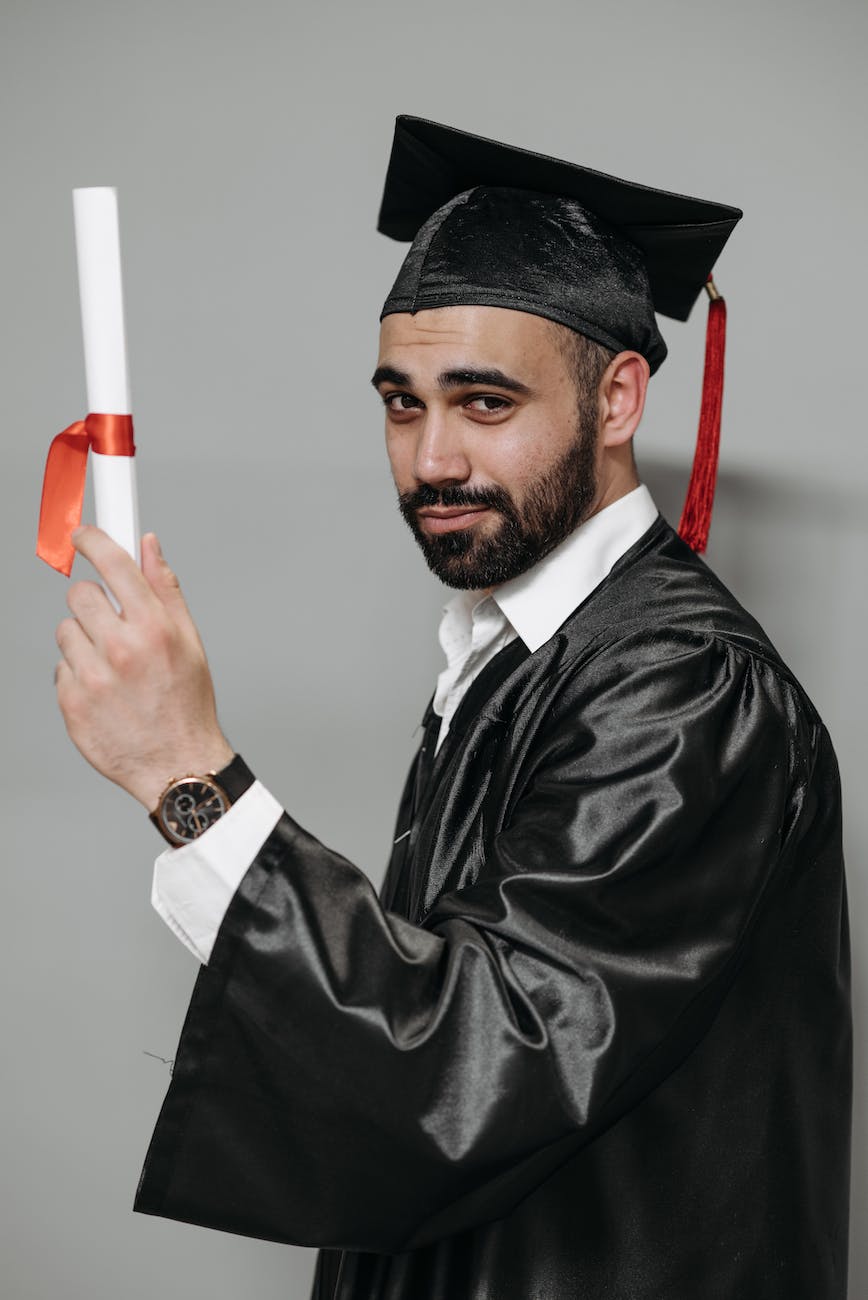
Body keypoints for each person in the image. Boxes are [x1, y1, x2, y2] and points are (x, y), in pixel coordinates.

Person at [53, 118, 851, 1299]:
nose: (429, 460)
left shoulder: (681, 688)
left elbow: (480, 1061)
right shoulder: (511, 651)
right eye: (400, 403)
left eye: (484, 404)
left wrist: (190, 773)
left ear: (620, 397)